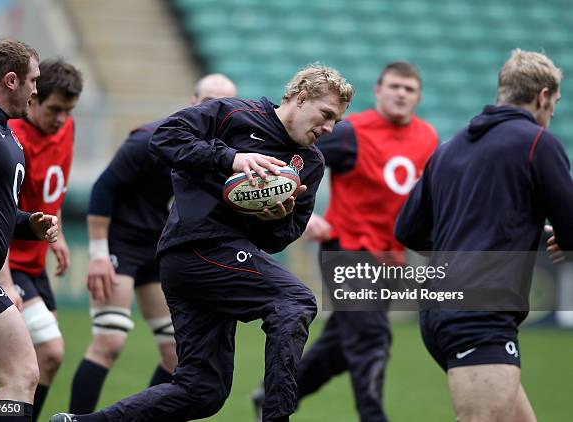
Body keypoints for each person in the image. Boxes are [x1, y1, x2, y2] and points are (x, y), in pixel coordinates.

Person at [50, 63, 354, 422]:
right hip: (195, 248)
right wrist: (232, 158)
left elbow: (280, 239)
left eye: (336, 121)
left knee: (202, 390)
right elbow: (164, 137)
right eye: (326, 114)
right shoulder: (235, 114)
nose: (329, 128)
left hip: (215, 262)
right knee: (295, 300)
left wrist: (274, 219)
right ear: (301, 98)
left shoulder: (311, 165)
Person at [253, 62, 438, 422]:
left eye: (409, 89)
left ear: (418, 97)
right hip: (347, 250)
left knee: (340, 347)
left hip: (389, 260)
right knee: (371, 337)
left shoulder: (428, 138)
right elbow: (297, 160)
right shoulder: (352, 131)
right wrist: (306, 214)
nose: (401, 93)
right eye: (394, 86)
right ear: (379, 90)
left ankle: (271, 395)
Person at [395, 49, 573, 421]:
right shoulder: (539, 144)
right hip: (479, 315)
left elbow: (407, 230)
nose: (552, 112)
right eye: (553, 103)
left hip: (442, 310)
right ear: (542, 96)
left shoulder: (447, 150)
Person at [68, 73, 237, 414]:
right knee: (109, 341)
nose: (215, 109)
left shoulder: (215, 152)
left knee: (177, 353)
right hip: (120, 242)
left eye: (225, 105)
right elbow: (104, 188)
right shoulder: (151, 137)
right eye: (209, 101)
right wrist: (99, 253)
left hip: (157, 247)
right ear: (193, 101)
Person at [0, 58, 83, 421]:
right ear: (14, 82)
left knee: (30, 366)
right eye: (34, 83)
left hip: (19, 262)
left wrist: (37, 225)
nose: (60, 118)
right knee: (31, 364)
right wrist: (7, 281)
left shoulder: (5, 131)